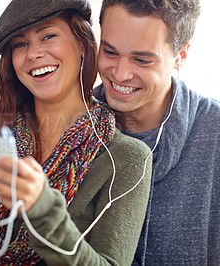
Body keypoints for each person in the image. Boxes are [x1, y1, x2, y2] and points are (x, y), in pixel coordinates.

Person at [0, 0, 152, 265]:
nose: (33, 53)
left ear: (82, 43)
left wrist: (41, 207)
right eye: (20, 44)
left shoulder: (127, 158)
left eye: (48, 36)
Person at [93, 0, 220, 265]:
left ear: (180, 57)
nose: (120, 73)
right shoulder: (73, 125)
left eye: (141, 59)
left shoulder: (215, 132)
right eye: (110, 51)